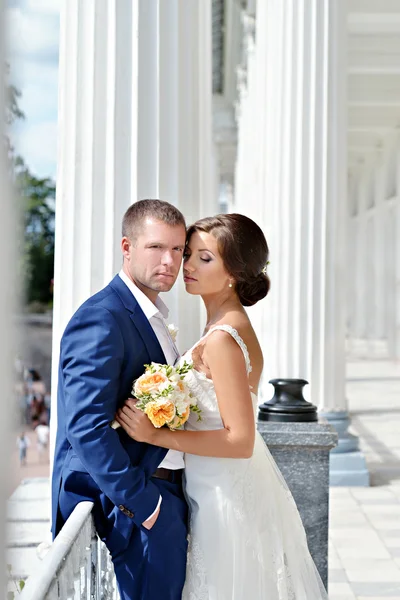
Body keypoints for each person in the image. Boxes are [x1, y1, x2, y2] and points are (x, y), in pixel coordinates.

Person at [116, 213, 328, 599]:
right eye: (189, 254)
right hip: (210, 486)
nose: (187, 266)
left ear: (234, 271)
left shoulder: (223, 339)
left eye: (204, 258)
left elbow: (240, 440)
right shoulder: (221, 326)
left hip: (224, 496)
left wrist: (157, 434)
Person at [51, 200, 189, 600]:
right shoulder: (103, 316)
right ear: (127, 247)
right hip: (135, 506)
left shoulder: (152, 315)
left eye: (178, 249)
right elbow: (85, 426)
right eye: (156, 247)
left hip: (166, 493)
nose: (170, 261)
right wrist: (145, 506)